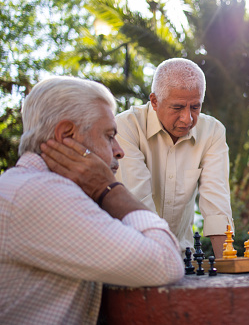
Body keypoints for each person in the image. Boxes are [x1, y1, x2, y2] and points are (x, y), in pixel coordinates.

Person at [0, 76, 184, 324]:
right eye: (109, 136)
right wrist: (109, 188)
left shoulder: (26, 186)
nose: (119, 150)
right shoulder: (41, 193)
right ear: (67, 135)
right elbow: (166, 261)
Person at [115, 58, 233, 257]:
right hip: (128, 253)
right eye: (177, 108)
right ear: (154, 101)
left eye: (195, 107)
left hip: (181, 255)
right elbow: (139, 201)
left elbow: (216, 201)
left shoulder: (212, 132)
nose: (187, 118)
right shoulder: (125, 127)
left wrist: (227, 265)